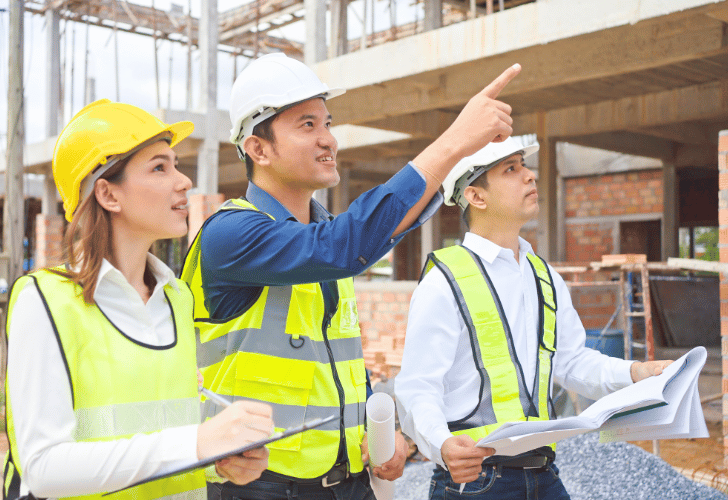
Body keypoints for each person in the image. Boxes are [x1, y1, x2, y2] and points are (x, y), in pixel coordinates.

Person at [180, 53, 522, 500]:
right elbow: (349, 244)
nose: (328, 140)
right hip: (257, 486)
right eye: (307, 125)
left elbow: (334, 360)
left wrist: (376, 430)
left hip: (347, 483)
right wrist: (455, 142)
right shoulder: (231, 234)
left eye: (327, 123)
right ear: (258, 149)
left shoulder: (326, 236)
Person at [2, 99, 274, 500]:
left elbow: (168, 433)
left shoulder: (177, 298)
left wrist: (217, 461)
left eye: (176, 165)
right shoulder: (45, 301)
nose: (184, 182)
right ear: (108, 194)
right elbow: (43, 468)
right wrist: (195, 445)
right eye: (159, 168)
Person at [394, 137, 673, 499]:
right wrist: (441, 444)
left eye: (525, 166)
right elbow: (418, 386)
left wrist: (636, 373)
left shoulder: (544, 276)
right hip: (475, 481)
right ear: (476, 196)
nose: (530, 176)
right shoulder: (445, 281)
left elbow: (570, 361)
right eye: (511, 169)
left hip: (543, 475)